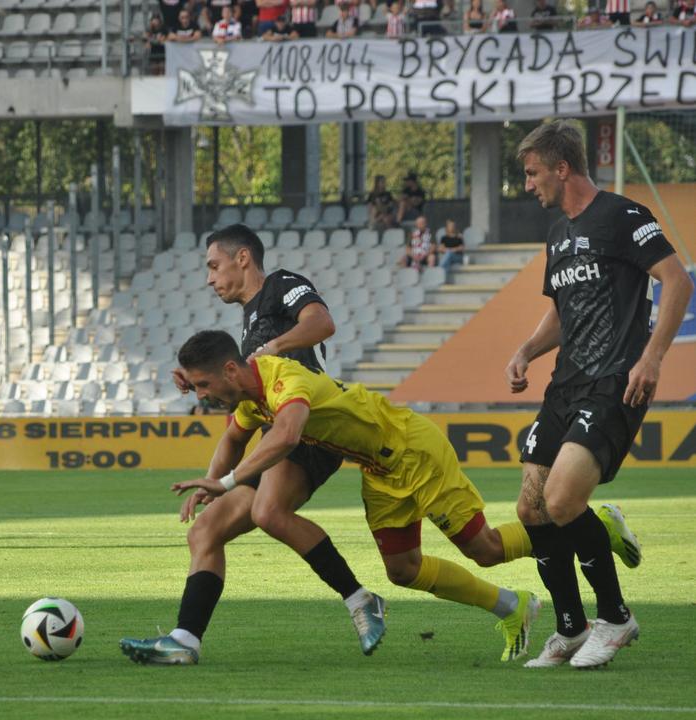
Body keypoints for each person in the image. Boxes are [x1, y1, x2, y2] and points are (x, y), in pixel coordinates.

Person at [161, 330, 544, 663]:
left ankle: (583, 528)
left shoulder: (285, 380)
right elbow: (232, 438)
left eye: (203, 386)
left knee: (486, 550)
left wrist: (227, 483)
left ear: (229, 370)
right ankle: (513, 606)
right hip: (379, 470)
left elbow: (287, 436)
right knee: (403, 571)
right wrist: (209, 485)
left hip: (413, 450)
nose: (201, 396)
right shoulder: (248, 397)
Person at [119, 225, 387, 666]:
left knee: (269, 512)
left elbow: (323, 322)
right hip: (274, 430)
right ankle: (185, 640)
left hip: (308, 425)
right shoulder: (248, 324)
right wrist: (201, 383)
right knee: (206, 530)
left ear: (242, 258)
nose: (209, 277)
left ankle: (361, 600)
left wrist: (272, 347)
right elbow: (236, 422)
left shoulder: (281, 285)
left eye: (213, 265)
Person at [509, 120, 693, 668]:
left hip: (616, 381)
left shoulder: (622, 216)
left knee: (563, 502)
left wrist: (652, 357)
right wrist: (525, 351)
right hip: (565, 384)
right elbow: (562, 314)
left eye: (532, 172)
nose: (528, 184)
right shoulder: (559, 235)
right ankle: (570, 628)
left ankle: (615, 618)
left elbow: (678, 281)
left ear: (562, 168)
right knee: (531, 508)